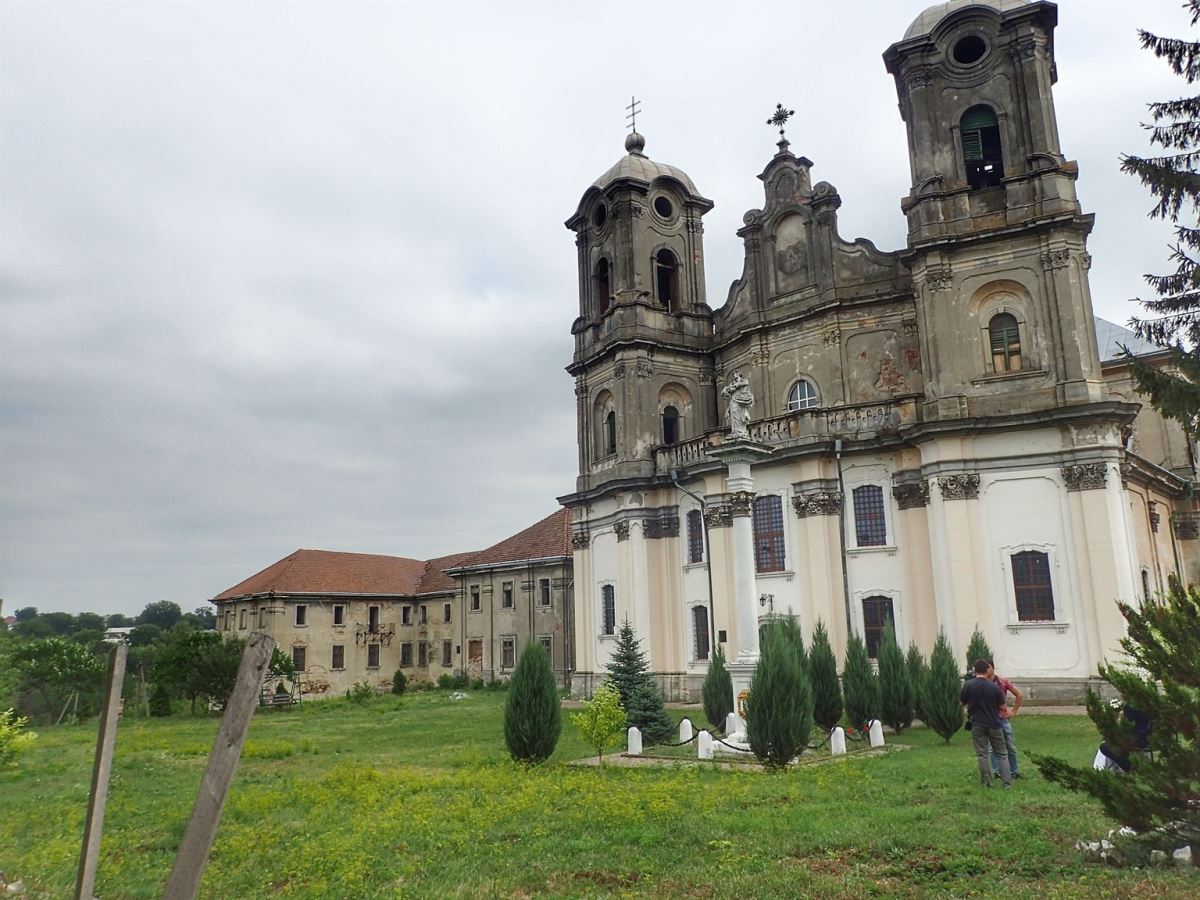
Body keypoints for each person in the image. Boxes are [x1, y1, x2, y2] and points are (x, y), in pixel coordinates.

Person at [961, 658, 1012, 787]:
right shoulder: (994, 687)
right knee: (1001, 753)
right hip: (994, 723)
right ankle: (1007, 783)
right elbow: (1003, 708)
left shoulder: (968, 685)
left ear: (974, 670)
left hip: (977, 723)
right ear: (987, 670)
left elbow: (962, 703)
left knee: (982, 754)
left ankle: (987, 782)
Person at [986, 660, 1023, 779]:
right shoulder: (982, 684)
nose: (987, 670)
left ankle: (1014, 771)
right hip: (990, 720)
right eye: (985, 668)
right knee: (992, 747)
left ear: (993, 668)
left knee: (1010, 746)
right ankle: (996, 771)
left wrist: (1013, 711)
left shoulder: (1003, 681)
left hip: (1003, 719)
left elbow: (1019, 695)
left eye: (989, 667)